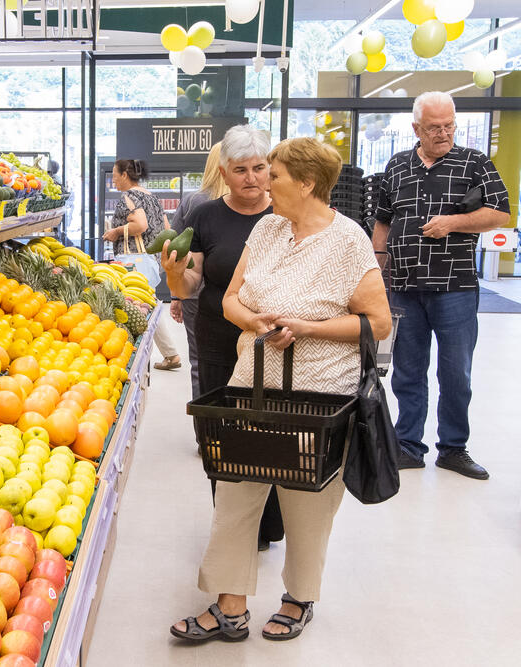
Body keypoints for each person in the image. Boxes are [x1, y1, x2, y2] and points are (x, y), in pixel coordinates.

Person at [170, 137, 391, 644]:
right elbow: (229, 301)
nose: (265, 182)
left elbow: (377, 323)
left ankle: (298, 598)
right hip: (253, 388)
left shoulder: (348, 240)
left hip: (320, 399)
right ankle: (229, 605)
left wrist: (307, 327)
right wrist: (259, 322)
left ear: (306, 183)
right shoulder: (267, 229)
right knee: (235, 494)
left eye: (275, 175)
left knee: (306, 504)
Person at [373, 91, 510, 479]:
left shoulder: (474, 163)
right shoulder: (397, 165)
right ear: (416, 128)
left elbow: (499, 213)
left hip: (456, 288)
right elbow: (383, 222)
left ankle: (453, 448)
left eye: (450, 125)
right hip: (403, 285)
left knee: (455, 373)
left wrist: (452, 223)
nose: (444, 132)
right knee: (407, 370)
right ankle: (408, 445)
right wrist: (376, 270)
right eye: (434, 127)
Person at [162, 125, 283, 552]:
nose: (251, 178)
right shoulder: (205, 216)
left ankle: (268, 522)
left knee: (270, 430)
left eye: (259, 167)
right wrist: (176, 273)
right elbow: (191, 282)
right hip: (217, 338)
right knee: (221, 434)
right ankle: (231, 523)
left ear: (271, 168)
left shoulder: (286, 216)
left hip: (275, 344)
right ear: (224, 172)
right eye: (240, 170)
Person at [101, 158, 180, 370]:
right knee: (148, 304)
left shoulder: (129, 196)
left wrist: (115, 232)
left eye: (115, 175)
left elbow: (140, 225)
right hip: (151, 260)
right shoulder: (151, 197)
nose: (114, 180)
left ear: (125, 175)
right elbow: (166, 228)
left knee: (135, 307)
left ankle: (131, 357)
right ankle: (170, 354)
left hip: (133, 261)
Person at [169, 142, 230, 400]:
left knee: (200, 362)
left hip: (194, 295)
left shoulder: (193, 200)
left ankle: (205, 432)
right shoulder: (249, 202)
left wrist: (175, 297)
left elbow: (175, 247)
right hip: (233, 294)